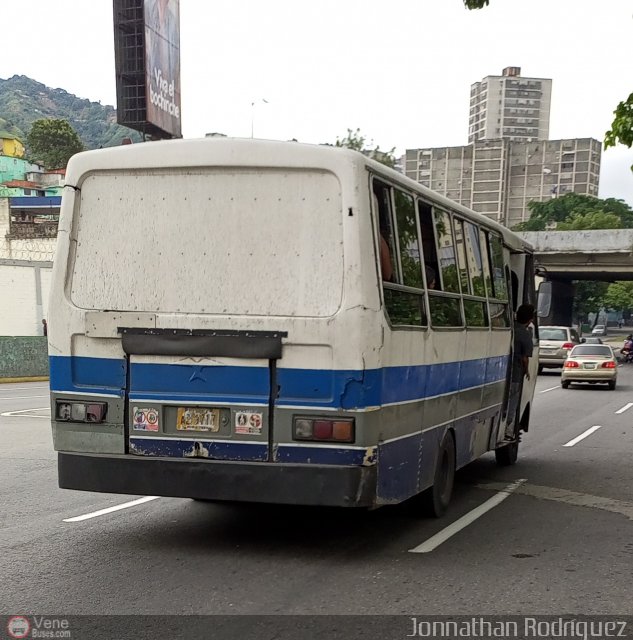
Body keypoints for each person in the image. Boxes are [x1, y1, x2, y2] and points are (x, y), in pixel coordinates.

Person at [505, 304, 535, 439]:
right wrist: (527, 371)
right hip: (515, 374)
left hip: (501, 372)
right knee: (512, 402)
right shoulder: (525, 334)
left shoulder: (509, 328)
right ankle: (508, 430)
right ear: (530, 320)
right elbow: (524, 358)